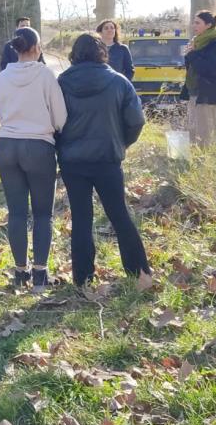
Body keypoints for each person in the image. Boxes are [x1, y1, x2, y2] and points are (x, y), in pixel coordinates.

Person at [57, 33, 151, 286]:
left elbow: (54, 121)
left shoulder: (62, 82)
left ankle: (82, 277)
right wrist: (122, 142)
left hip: (72, 160)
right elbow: (136, 121)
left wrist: (61, 146)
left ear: (74, 54)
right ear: (102, 53)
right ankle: (139, 271)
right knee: (119, 214)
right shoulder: (119, 82)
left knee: (81, 218)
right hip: (107, 158)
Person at [0, 26, 67, 289]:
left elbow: (0, 109)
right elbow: (60, 117)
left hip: (6, 146)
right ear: (37, 48)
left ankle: (19, 272)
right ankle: (40, 274)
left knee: (16, 213)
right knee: (42, 214)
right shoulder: (45, 75)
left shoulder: (3, 76)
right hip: (37, 146)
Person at [182, 10, 216, 149]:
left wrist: (192, 54)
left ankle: (210, 162)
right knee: (194, 132)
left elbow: (211, 69)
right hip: (196, 93)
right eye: (194, 22)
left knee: (207, 134)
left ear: (208, 25)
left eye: (198, 23)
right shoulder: (198, 42)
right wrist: (190, 54)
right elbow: (193, 67)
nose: (194, 25)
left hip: (208, 95)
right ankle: (196, 161)